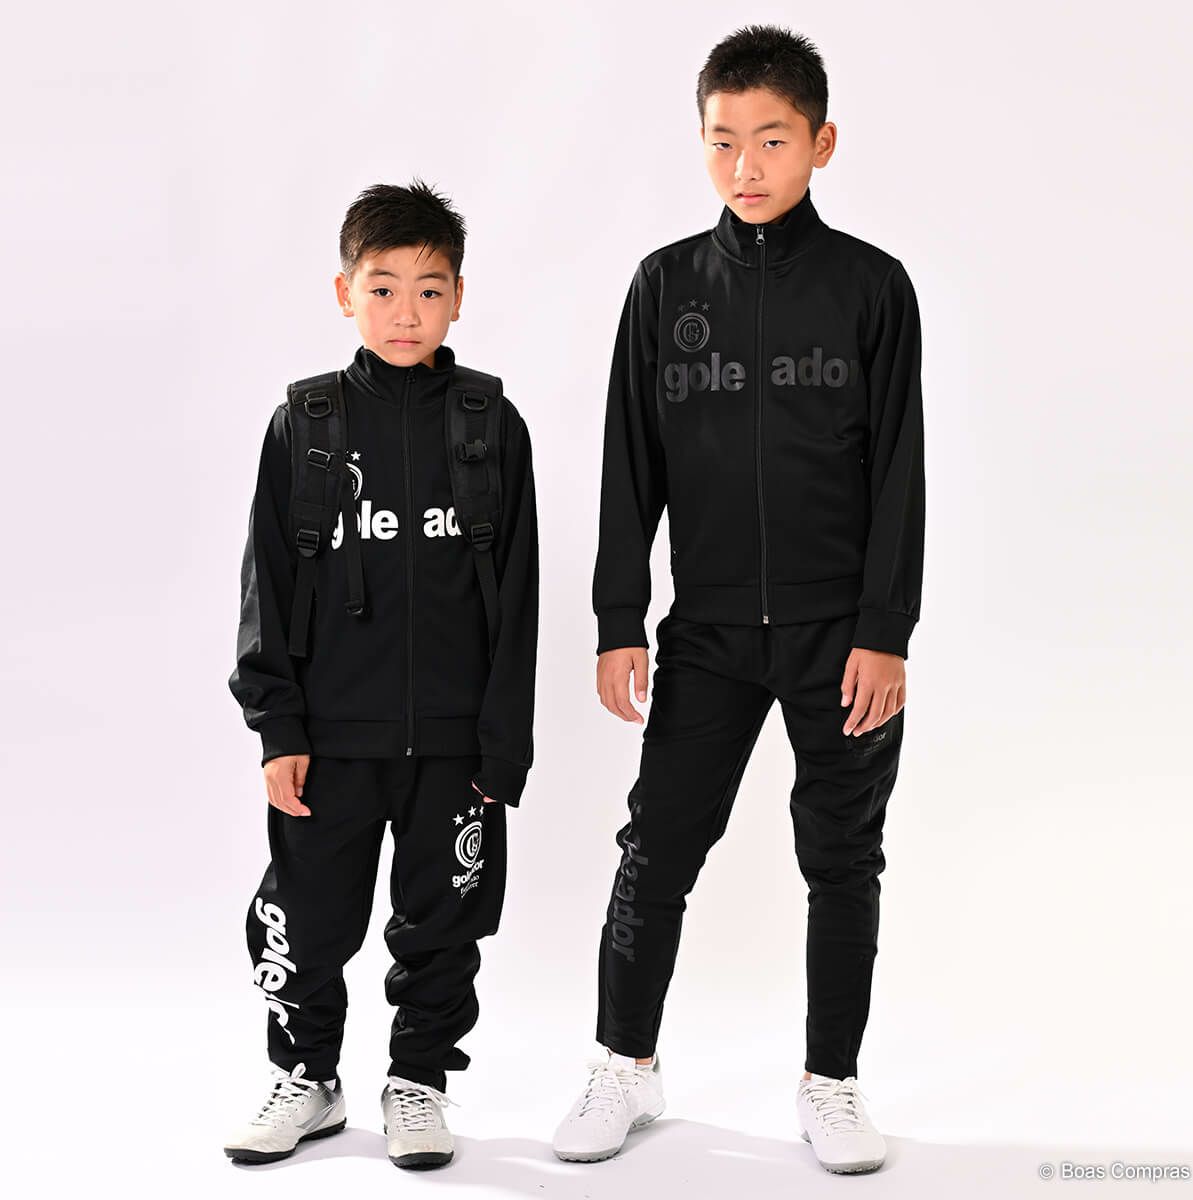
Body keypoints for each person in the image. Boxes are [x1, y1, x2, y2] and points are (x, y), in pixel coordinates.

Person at [551, 25, 924, 1175]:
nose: (745, 166)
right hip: (707, 631)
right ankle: (625, 1064)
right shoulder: (665, 285)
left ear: (821, 143)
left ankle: (831, 1082)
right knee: (656, 848)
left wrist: (884, 632)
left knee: (842, 858)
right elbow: (629, 464)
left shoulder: (872, 288)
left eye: (771, 140)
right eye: (723, 141)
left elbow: (898, 472)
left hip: (836, 635)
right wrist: (620, 619)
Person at [223, 180, 538, 1169]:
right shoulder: (306, 424)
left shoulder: (490, 424)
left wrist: (503, 745)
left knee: (442, 924)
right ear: (344, 293)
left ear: (459, 298)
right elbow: (267, 586)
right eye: (384, 288)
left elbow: (518, 600)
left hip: (453, 742)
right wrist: (279, 728)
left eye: (430, 290)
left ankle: (418, 1082)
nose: (408, 312)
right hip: (330, 737)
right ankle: (307, 1076)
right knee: (305, 921)